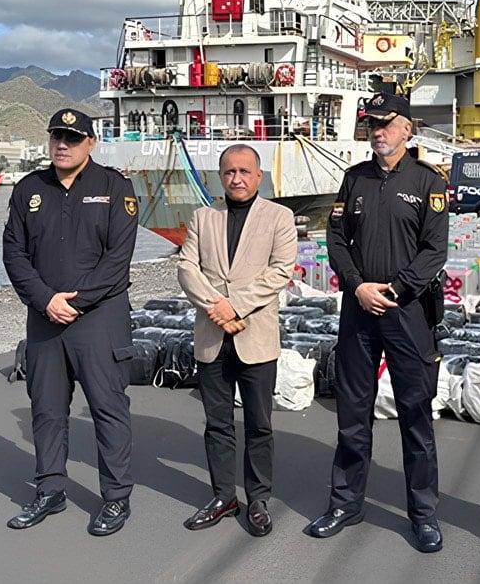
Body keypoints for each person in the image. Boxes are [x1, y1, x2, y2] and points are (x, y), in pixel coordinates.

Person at [306, 92, 449, 553]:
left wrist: (397, 290)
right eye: (372, 125)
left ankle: (423, 514)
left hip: (408, 312)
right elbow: (336, 239)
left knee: (415, 414)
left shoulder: (428, 182)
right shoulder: (354, 179)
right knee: (352, 412)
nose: (377, 132)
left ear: (407, 128)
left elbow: (434, 250)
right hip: (360, 309)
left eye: (386, 124)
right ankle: (346, 503)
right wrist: (357, 286)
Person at [2, 108, 138, 536]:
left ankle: (116, 497)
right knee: (46, 408)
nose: (63, 144)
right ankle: (50, 490)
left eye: (73, 138)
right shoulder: (29, 189)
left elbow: (118, 258)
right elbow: (13, 253)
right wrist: (45, 300)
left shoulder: (115, 187)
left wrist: (75, 303)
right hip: (45, 318)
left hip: (99, 318)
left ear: (90, 143)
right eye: (56, 136)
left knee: (107, 408)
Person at [177, 144, 297, 536]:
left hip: (255, 335)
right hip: (212, 335)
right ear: (220, 176)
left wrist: (235, 306)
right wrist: (216, 306)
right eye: (229, 172)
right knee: (217, 423)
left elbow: (280, 271)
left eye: (245, 171)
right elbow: (187, 267)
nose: (237, 178)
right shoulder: (203, 217)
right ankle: (223, 496)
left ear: (259, 176)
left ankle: (258, 498)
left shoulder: (279, 217)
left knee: (259, 423)